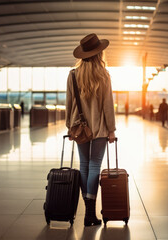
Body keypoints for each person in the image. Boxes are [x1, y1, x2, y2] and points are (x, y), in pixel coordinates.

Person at [65, 33, 116, 227]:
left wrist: (70, 127)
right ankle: (89, 213)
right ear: (99, 54)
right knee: (95, 165)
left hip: (80, 129)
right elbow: (108, 105)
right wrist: (111, 129)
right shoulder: (103, 75)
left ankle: (88, 212)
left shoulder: (72, 75)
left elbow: (69, 103)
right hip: (101, 128)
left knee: (84, 165)